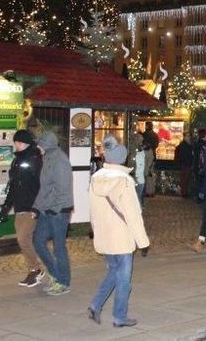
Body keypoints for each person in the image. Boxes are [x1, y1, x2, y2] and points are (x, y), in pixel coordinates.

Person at [86, 137, 149, 328]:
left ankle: (95, 305)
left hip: (105, 236)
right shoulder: (125, 181)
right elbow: (133, 215)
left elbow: (92, 211)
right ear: (122, 159)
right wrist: (143, 241)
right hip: (121, 237)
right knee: (124, 280)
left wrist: (96, 231)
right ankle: (119, 316)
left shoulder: (95, 178)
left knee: (114, 272)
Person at [0, 129, 44, 288]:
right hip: (19, 207)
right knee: (23, 241)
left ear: (25, 143)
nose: (16, 145)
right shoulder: (16, 161)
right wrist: (6, 207)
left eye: (18, 142)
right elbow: (13, 186)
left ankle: (36, 270)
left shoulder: (35, 159)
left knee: (23, 239)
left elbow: (41, 186)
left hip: (31, 207)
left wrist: (37, 207)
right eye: (15, 142)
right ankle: (33, 270)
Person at [32, 130, 74, 296]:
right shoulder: (48, 158)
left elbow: (63, 189)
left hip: (58, 211)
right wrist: (37, 207)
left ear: (46, 144)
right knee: (38, 241)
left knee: (59, 248)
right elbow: (45, 188)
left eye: (39, 143)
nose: (37, 146)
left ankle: (63, 282)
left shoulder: (59, 160)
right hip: (47, 210)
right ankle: (57, 275)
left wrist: (54, 209)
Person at [175, 132, 195, 199]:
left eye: (189, 136)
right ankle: (184, 193)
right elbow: (186, 155)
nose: (188, 137)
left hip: (185, 164)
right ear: (184, 137)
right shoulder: (185, 145)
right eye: (187, 136)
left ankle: (184, 192)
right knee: (185, 179)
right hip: (185, 164)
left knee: (184, 179)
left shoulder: (185, 144)